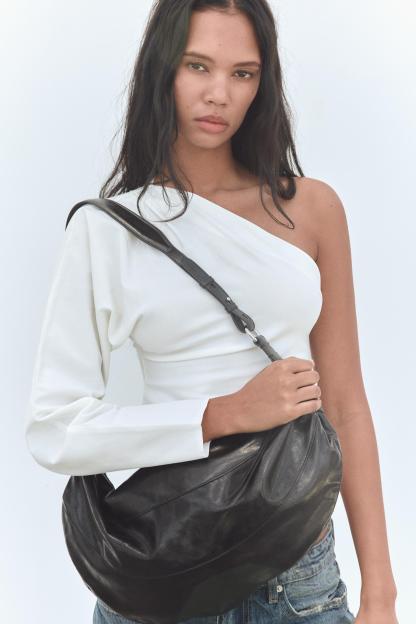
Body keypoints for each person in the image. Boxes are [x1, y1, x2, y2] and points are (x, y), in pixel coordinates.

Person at [25, 1, 398, 623]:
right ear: (162, 70)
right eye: (197, 65)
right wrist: (222, 414)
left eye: (242, 73)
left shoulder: (311, 210)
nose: (219, 93)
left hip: (298, 580)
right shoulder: (109, 229)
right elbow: (54, 428)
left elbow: (346, 405)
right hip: (165, 577)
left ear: (262, 85)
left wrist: (381, 594)